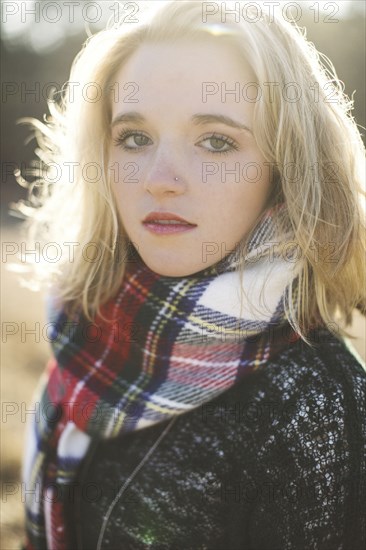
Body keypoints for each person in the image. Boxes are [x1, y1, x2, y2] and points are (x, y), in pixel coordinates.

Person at [18, 1, 366, 549]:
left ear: (287, 165)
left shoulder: (312, 406)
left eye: (217, 141)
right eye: (134, 137)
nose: (160, 179)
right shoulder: (91, 329)